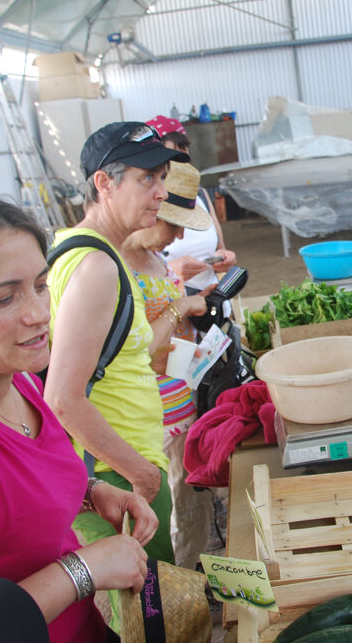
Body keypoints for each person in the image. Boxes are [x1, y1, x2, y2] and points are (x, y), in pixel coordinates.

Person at [0, 194, 157, 642]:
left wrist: (92, 491)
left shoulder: (21, 382)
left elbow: (13, 492)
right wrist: (82, 570)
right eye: (4, 299)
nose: (37, 314)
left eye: (39, 285)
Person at [44, 123, 207, 581]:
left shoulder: (94, 253)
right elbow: (62, 397)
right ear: (104, 183)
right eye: (147, 179)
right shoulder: (96, 266)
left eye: (162, 178)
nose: (160, 192)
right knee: (146, 614)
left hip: (121, 467)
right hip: (117, 472)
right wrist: (143, 476)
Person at [121, 160, 216, 568]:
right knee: (173, 508)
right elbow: (140, 349)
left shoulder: (156, 256)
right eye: (172, 224)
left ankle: (189, 579)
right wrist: (180, 307)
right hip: (157, 413)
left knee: (192, 501)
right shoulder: (117, 270)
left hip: (183, 391)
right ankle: (172, 592)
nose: (179, 235)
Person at [145, 115, 237, 298]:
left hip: (212, 301)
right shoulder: (149, 204)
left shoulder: (199, 194)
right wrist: (169, 272)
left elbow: (219, 244)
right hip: (175, 306)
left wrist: (225, 258)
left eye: (183, 155)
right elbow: (134, 271)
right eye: (172, 157)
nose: (181, 165)